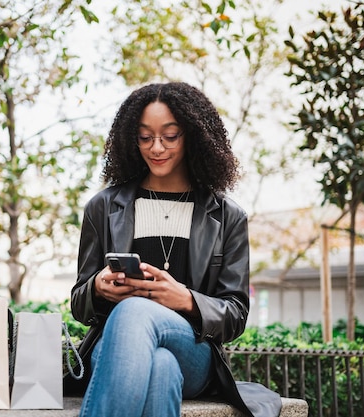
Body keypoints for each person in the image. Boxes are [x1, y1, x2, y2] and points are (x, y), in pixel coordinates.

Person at [66, 82, 281, 417]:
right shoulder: (103, 207)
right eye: (145, 136)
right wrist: (98, 287)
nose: (156, 147)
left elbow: (236, 314)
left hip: (192, 350)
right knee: (161, 368)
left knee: (135, 312)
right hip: (113, 348)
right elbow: (79, 305)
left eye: (170, 136)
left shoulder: (227, 217)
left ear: (193, 136)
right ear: (130, 139)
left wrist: (184, 299)